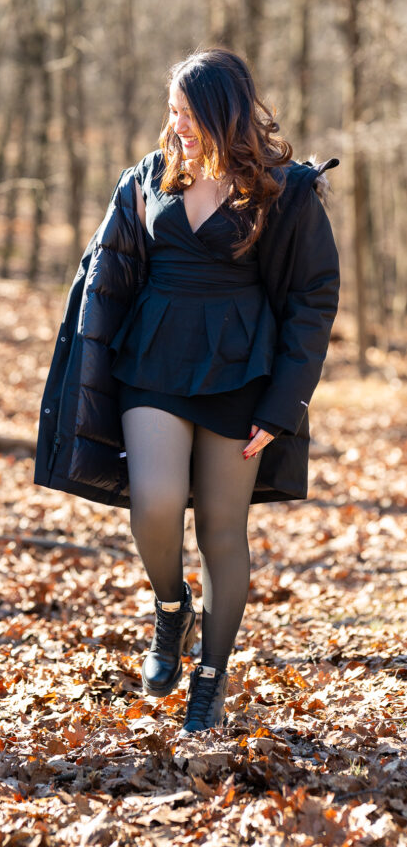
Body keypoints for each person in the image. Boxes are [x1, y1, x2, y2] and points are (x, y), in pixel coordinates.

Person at [35, 48, 339, 735]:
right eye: (170, 110)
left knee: (222, 532)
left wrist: (283, 405)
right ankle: (169, 607)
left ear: (222, 112)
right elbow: (108, 272)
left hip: (242, 373)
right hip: (152, 364)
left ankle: (209, 675)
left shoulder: (284, 190)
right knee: (154, 504)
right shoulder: (148, 176)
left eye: (187, 113)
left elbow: (313, 300)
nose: (175, 125)